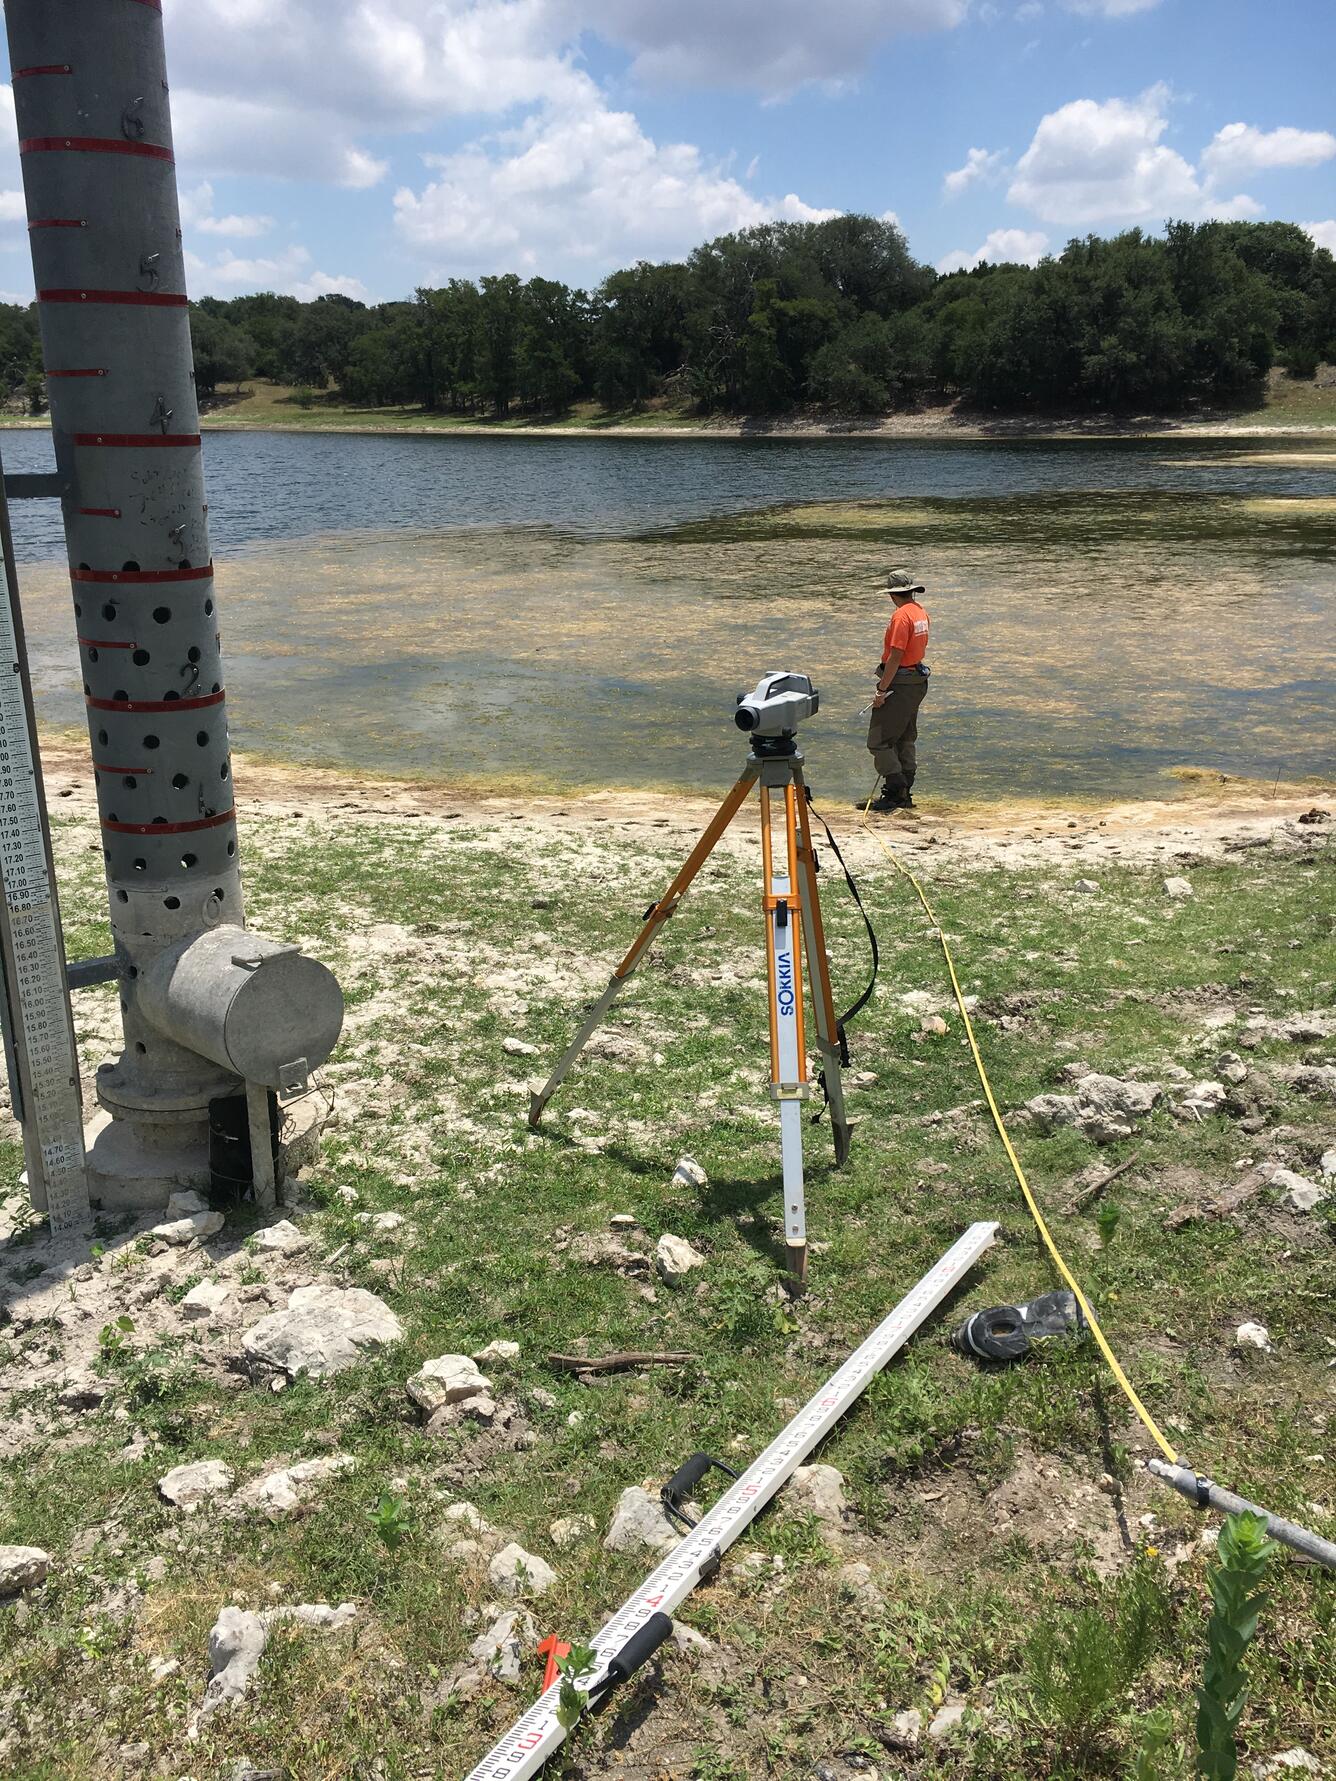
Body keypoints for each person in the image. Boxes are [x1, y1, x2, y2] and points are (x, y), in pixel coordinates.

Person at [865, 568, 930, 812]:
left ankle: (896, 791)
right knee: (905, 736)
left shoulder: (901, 617)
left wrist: (881, 690)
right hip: (916, 681)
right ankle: (905, 792)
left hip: (899, 682)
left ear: (893, 594)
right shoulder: (920, 612)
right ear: (911, 591)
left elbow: (895, 656)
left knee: (879, 741)